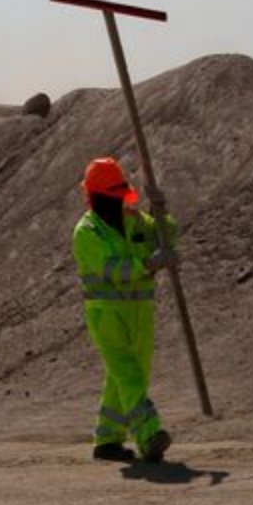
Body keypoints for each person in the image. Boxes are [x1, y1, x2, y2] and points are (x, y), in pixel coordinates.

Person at [72, 156, 180, 463]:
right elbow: (110, 268)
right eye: (114, 193)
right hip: (107, 314)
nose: (119, 198)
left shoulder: (133, 219)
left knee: (129, 375)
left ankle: (107, 440)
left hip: (140, 310)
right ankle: (149, 434)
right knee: (128, 374)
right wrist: (148, 263)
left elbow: (167, 234)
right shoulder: (87, 232)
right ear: (97, 195)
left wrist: (162, 212)